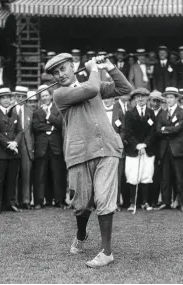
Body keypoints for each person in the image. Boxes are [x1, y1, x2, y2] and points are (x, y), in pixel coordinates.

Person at [45, 53, 132, 268]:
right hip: (79, 154)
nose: (60, 74)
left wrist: (110, 67)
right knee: (82, 205)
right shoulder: (60, 94)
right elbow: (90, 90)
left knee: (104, 199)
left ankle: (106, 252)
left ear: (73, 66)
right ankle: (81, 234)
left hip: (107, 148)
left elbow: (125, 89)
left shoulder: (93, 83)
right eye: (55, 72)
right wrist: (94, 68)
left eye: (63, 69)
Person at [0, 88, 23, 215]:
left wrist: (15, 142)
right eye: (3, 98)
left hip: (13, 152)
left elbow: (20, 131)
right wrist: (9, 143)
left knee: (11, 179)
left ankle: (11, 203)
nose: (6, 100)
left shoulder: (15, 114)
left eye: (8, 97)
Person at [32, 85, 66, 210]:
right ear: (40, 98)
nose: (45, 97)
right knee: (40, 175)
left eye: (46, 95)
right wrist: (51, 127)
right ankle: (39, 201)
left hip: (56, 146)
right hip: (41, 147)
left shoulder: (58, 109)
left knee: (58, 174)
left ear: (51, 96)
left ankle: (59, 200)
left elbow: (60, 124)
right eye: (42, 96)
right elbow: (35, 127)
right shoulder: (36, 111)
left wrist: (48, 115)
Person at [124, 88, 155, 212]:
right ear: (135, 99)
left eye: (143, 97)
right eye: (138, 97)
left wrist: (145, 145)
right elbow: (128, 133)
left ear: (147, 98)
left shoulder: (151, 113)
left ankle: (145, 202)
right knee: (133, 175)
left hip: (147, 150)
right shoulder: (129, 113)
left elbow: (153, 132)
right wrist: (137, 145)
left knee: (146, 174)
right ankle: (132, 202)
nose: (140, 99)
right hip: (133, 150)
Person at [157, 87, 183, 212]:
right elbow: (158, 130)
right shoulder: (162, 113)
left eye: (171, 97)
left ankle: (182, 203)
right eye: (167, 97)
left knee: (180, 177)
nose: (168, 100)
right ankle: (165, 201)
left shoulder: (182, 112)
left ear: (176, 99)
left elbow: (178, 129)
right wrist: (168, 128)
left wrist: (166, 129)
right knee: (165, 177)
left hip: (177, 148)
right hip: (165, 149)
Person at [14, 86, 34, 209]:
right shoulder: (11, 110)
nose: (21, 98)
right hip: (15, 145)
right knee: (15, 174)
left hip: (26, 146)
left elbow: (32, 132)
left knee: (26, 173)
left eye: (23, 96)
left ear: (26, 98)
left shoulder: (30, 111)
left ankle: (26, 200)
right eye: (19, 96)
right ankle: (14, 200)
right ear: (15, 97)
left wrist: (32, 147)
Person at [112, 94, 130, 210]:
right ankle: (115, 202)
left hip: (127, 147)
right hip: (114, 147)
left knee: (124, 176)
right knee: (115, 177)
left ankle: (126, 201)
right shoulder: (114, 107)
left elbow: (125, 128)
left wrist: (122, 141)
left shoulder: (129, 107)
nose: (125, 95)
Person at [149, 90, 165, 207]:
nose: (154, 103)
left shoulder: (164, 113)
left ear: (160, 102)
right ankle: (146, 200)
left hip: (160, 149)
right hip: (148, 149)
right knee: (148, 173)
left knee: (157, 175)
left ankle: (154, 199)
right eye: (153, 101)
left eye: (157, 101)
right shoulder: (148, 113)